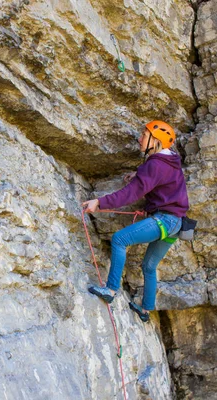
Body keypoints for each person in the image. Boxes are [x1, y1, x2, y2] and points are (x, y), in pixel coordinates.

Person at [82, 120, 189, 322]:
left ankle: (111, 290)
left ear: (155, 141)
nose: (139, 139)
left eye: (143, 135)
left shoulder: (156, 165)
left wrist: (99, 202)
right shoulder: (170, 161)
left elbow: (129, 194)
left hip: (165, 220)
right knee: (149, 266)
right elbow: (161, 185)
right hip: (177, 223)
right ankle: (145, 310)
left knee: (120, 239)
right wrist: (139, 175)